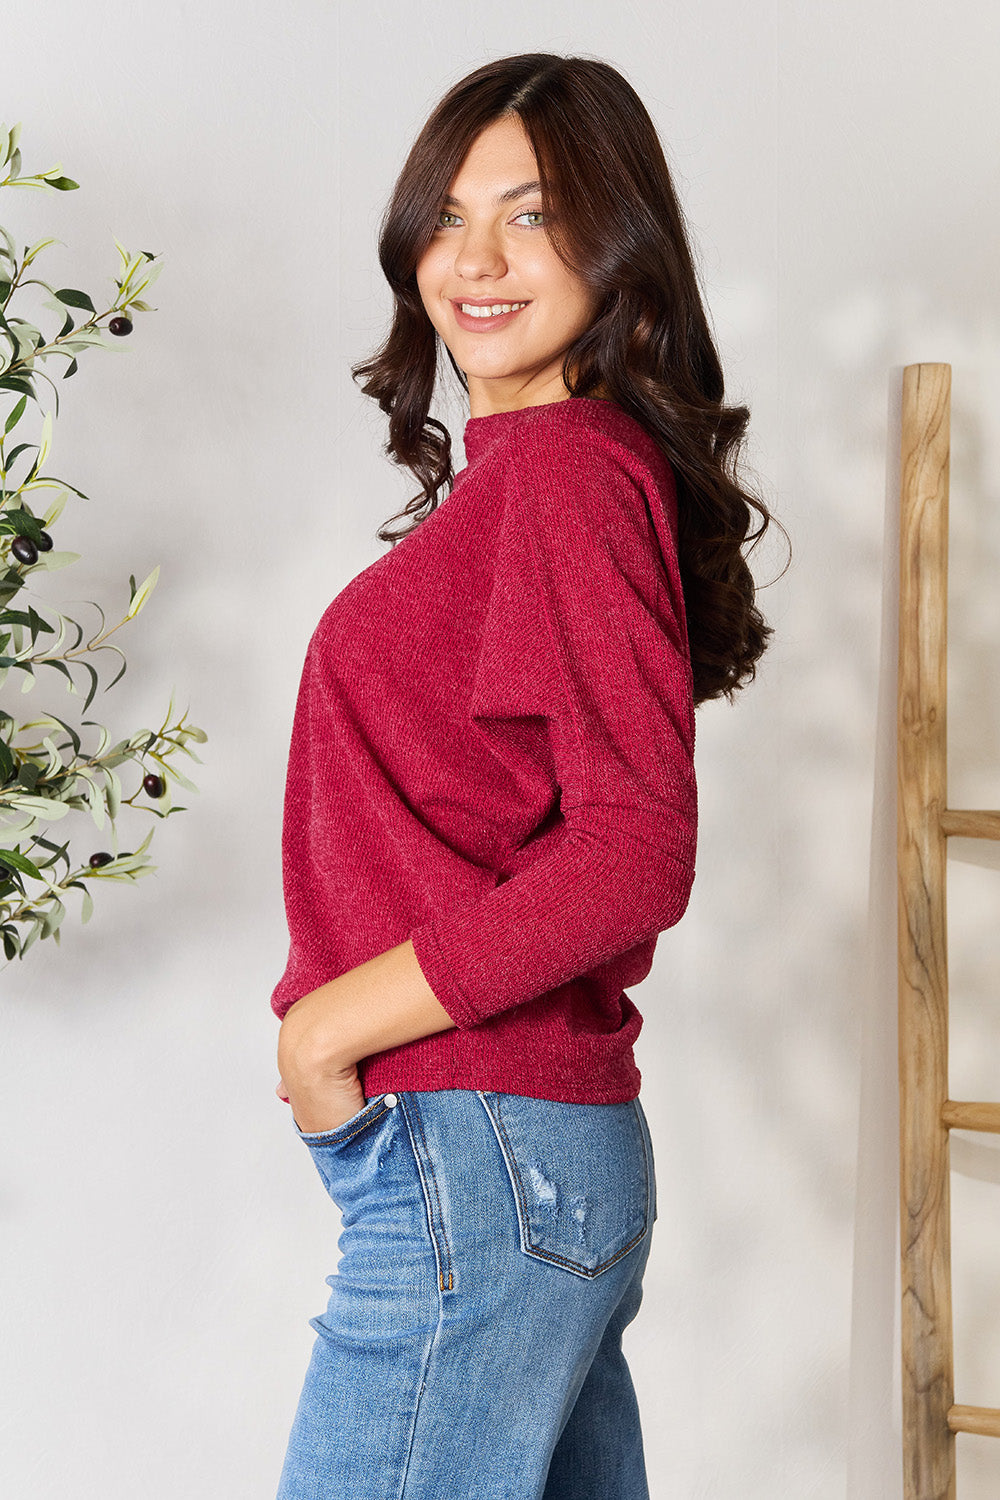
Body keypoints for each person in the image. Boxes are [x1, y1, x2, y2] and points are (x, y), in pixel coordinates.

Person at [271, 51, 775, 1500]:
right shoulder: (540, 477)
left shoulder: (562, 477)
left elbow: (632, 852)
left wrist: (327, 1034)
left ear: (618, 247)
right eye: (447, 217)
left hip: (480, 1148)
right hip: (520, 1151)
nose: (475, 260)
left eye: (533, 217)